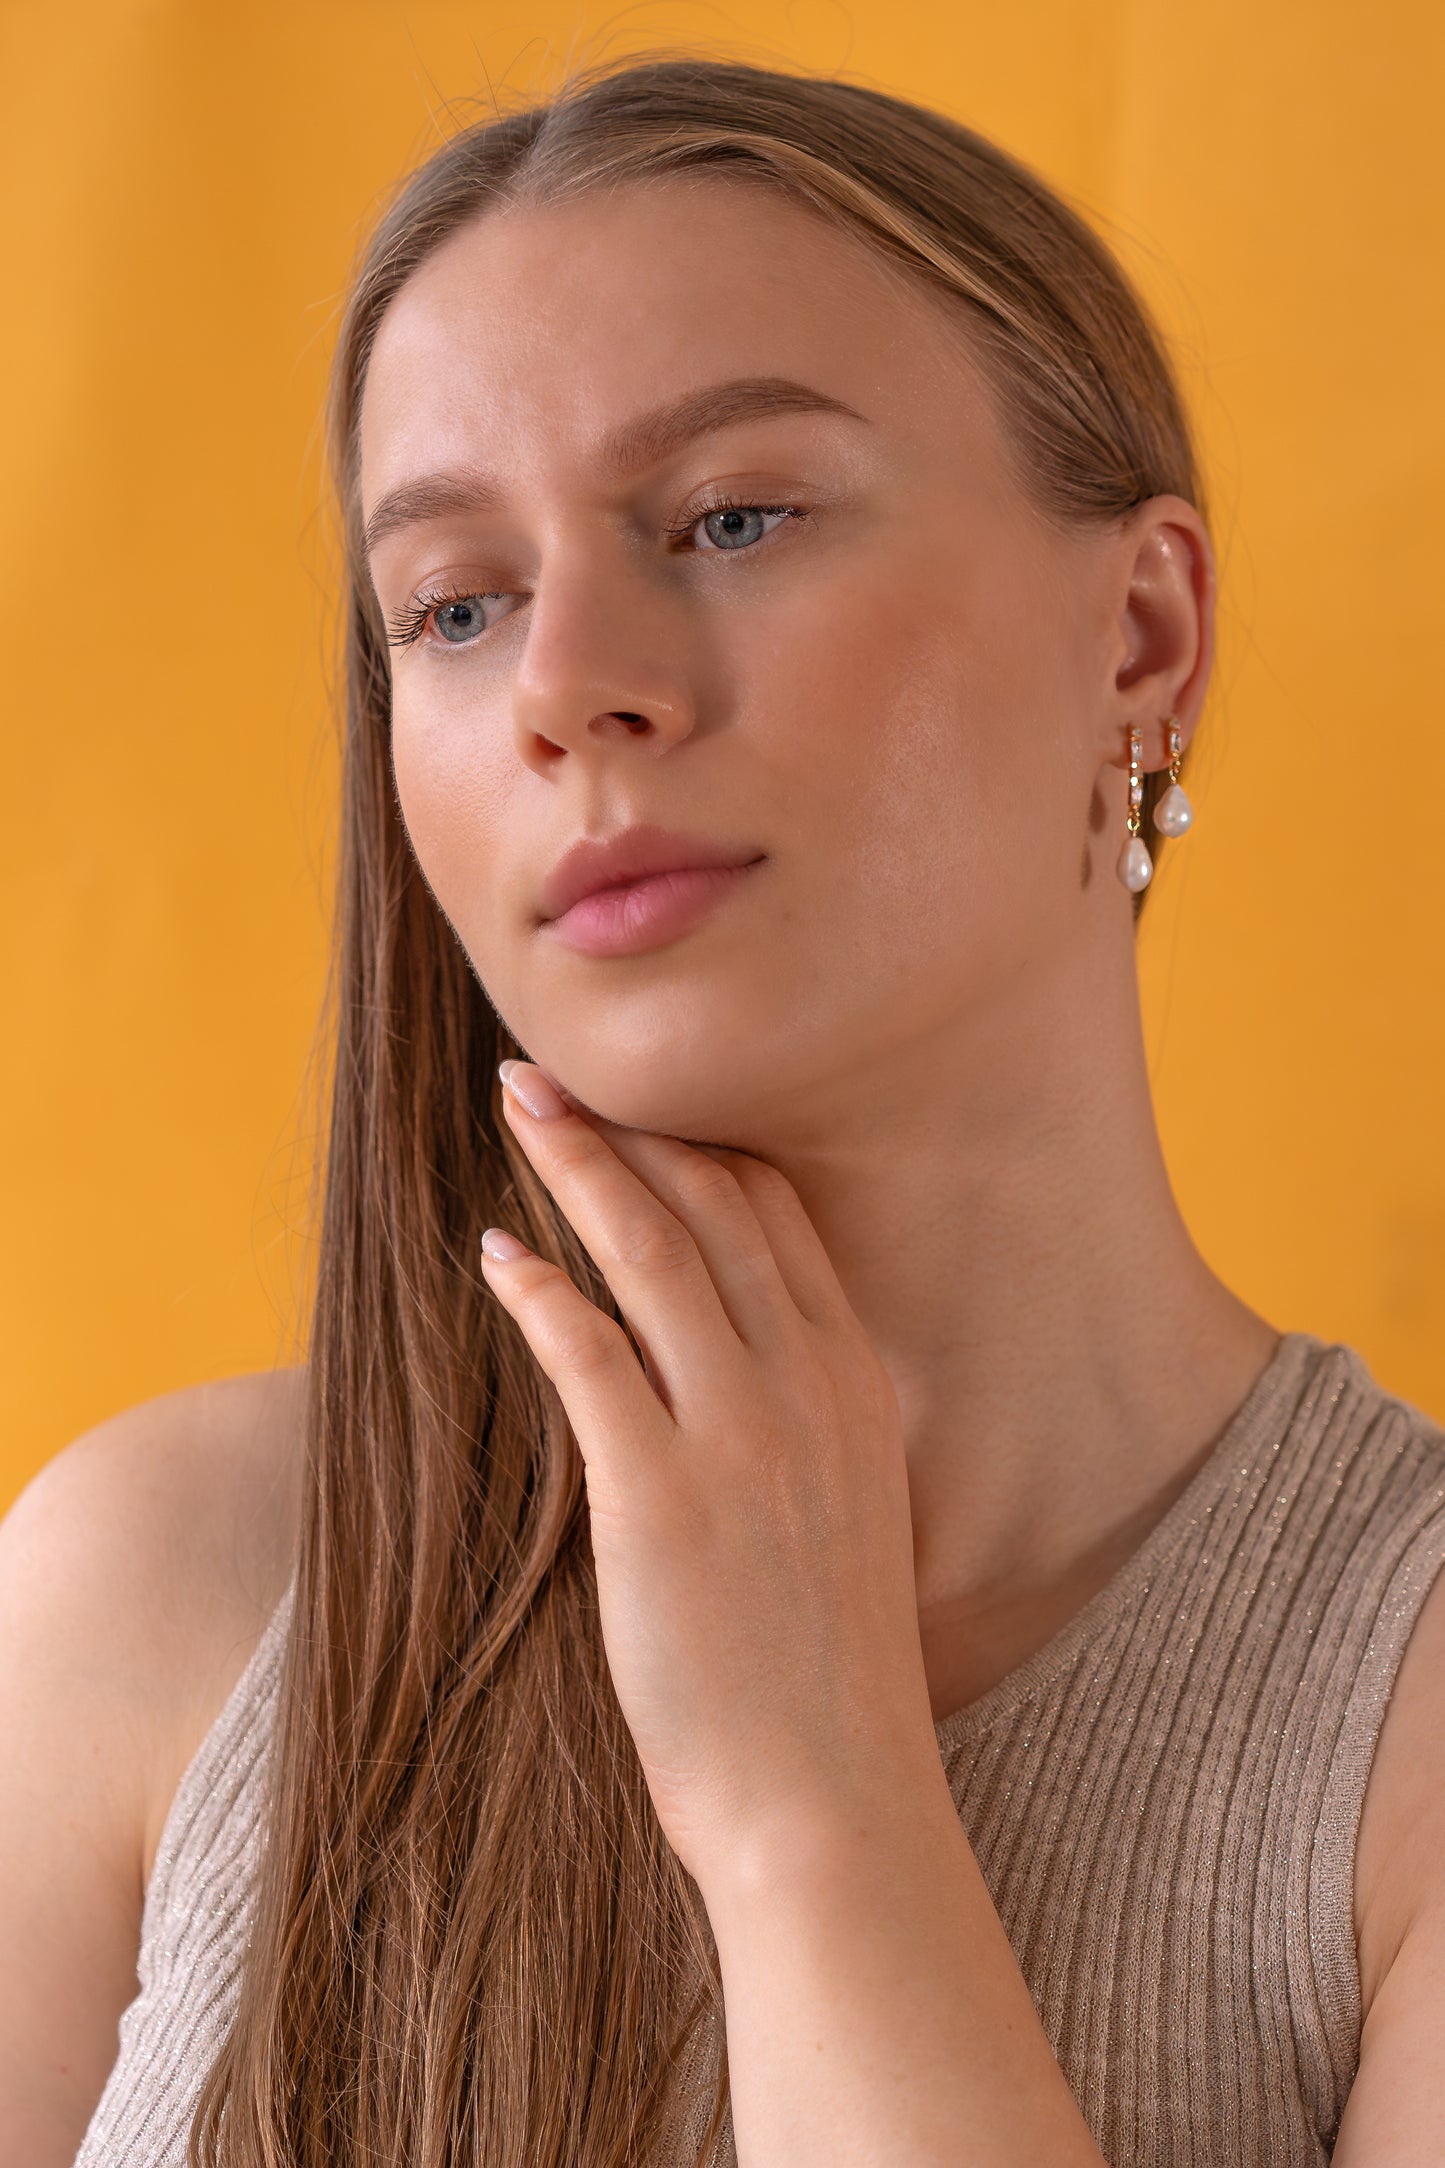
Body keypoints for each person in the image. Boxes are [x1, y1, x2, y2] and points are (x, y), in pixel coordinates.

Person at [2, 50, 1442, 2168]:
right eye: (456, 604)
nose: (568, 679)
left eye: (734, 515)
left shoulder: (1404, 1715)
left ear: (1139, 639)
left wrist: (811, 1800)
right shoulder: (150, 1587)